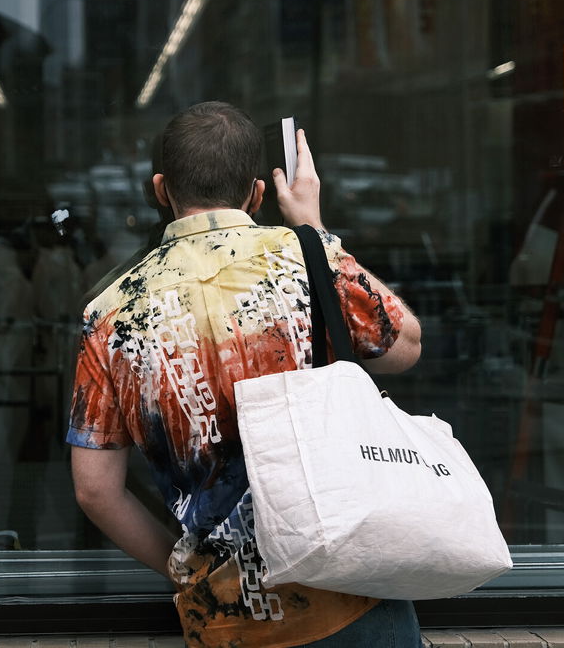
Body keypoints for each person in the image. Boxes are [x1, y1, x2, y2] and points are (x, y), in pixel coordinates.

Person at [66, 101, 423, 647]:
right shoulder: (304, 259)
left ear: (162, 192)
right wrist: (314, 230)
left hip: (227, 618)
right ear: (257, 194)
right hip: (352, 596)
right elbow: (406, 347)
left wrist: (186, 570)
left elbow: (95, 492)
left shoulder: (109, 314)